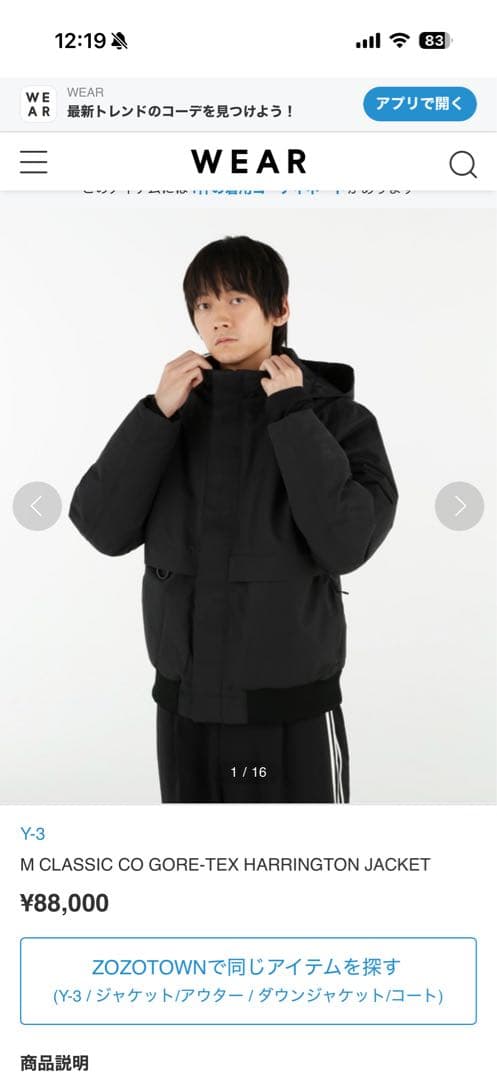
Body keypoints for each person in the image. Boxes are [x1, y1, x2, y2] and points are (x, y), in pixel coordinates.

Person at [69, 234, 398, 804]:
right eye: (203, 304)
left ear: (280, 309)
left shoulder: (338, 419)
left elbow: (346, 543)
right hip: (184, 707)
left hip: (291, 710)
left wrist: (292, 414)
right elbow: (102, 527)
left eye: (236, 299)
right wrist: (155, 414)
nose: (217, 317)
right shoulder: (172, 413)